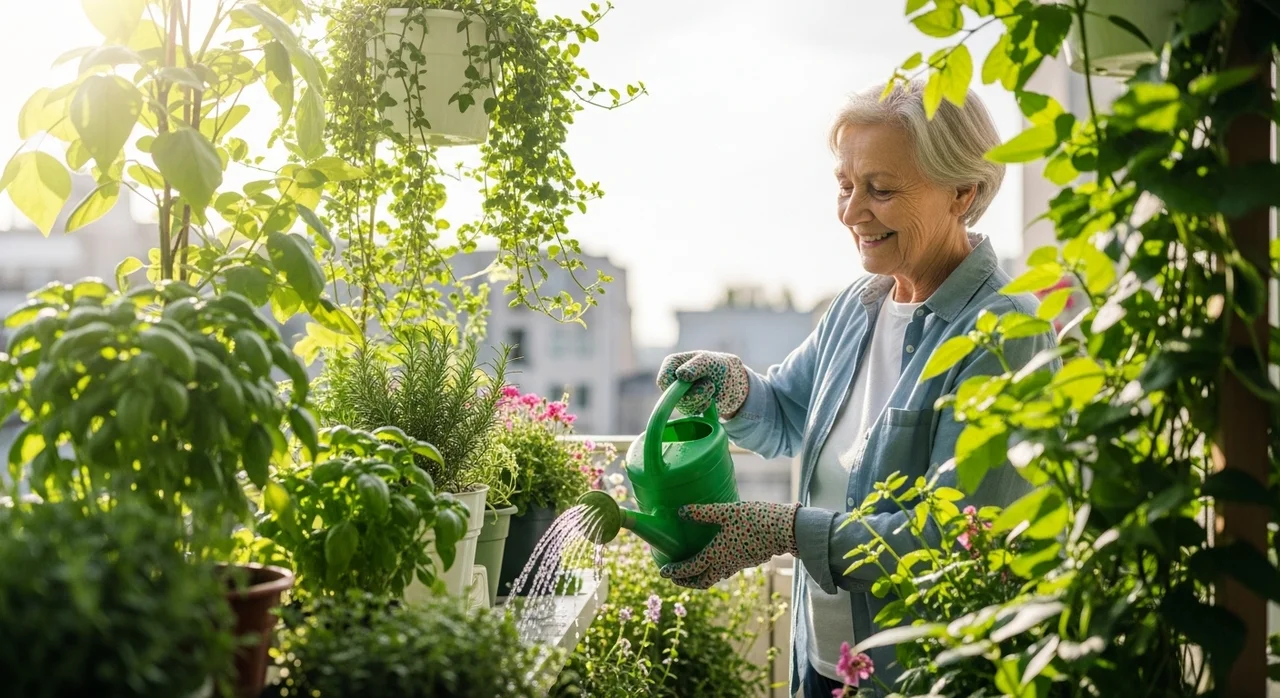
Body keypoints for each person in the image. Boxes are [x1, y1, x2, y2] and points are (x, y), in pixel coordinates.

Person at [655, 78, 1059, 697]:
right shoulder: (859, 305)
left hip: (922, 680)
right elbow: (787, 414)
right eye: (845, 186)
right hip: (822, 664)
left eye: (881, 189)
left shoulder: (1005, 333)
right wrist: (735, 386)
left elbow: (950, 540)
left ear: (963, 192)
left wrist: (787, 530)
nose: (850, 212)